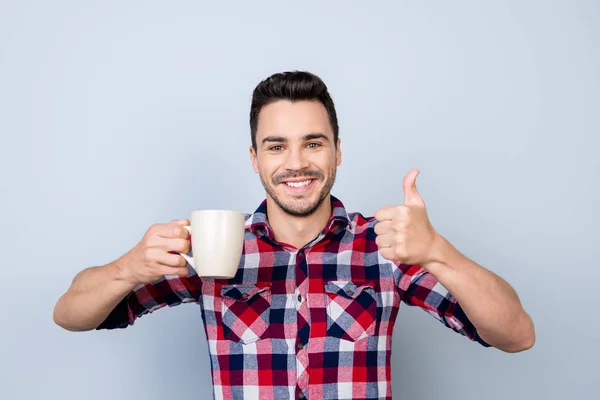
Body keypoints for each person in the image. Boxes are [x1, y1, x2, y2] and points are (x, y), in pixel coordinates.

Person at [53, 71, 535, 400]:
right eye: (276, 146)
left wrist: (438, 252)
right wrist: (128, 267)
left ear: (337, 152)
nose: (296, 162)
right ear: (255, 157)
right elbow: (71, 315)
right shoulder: (211, 249)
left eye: (313, 143)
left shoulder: (385, 246)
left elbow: (516, 335)